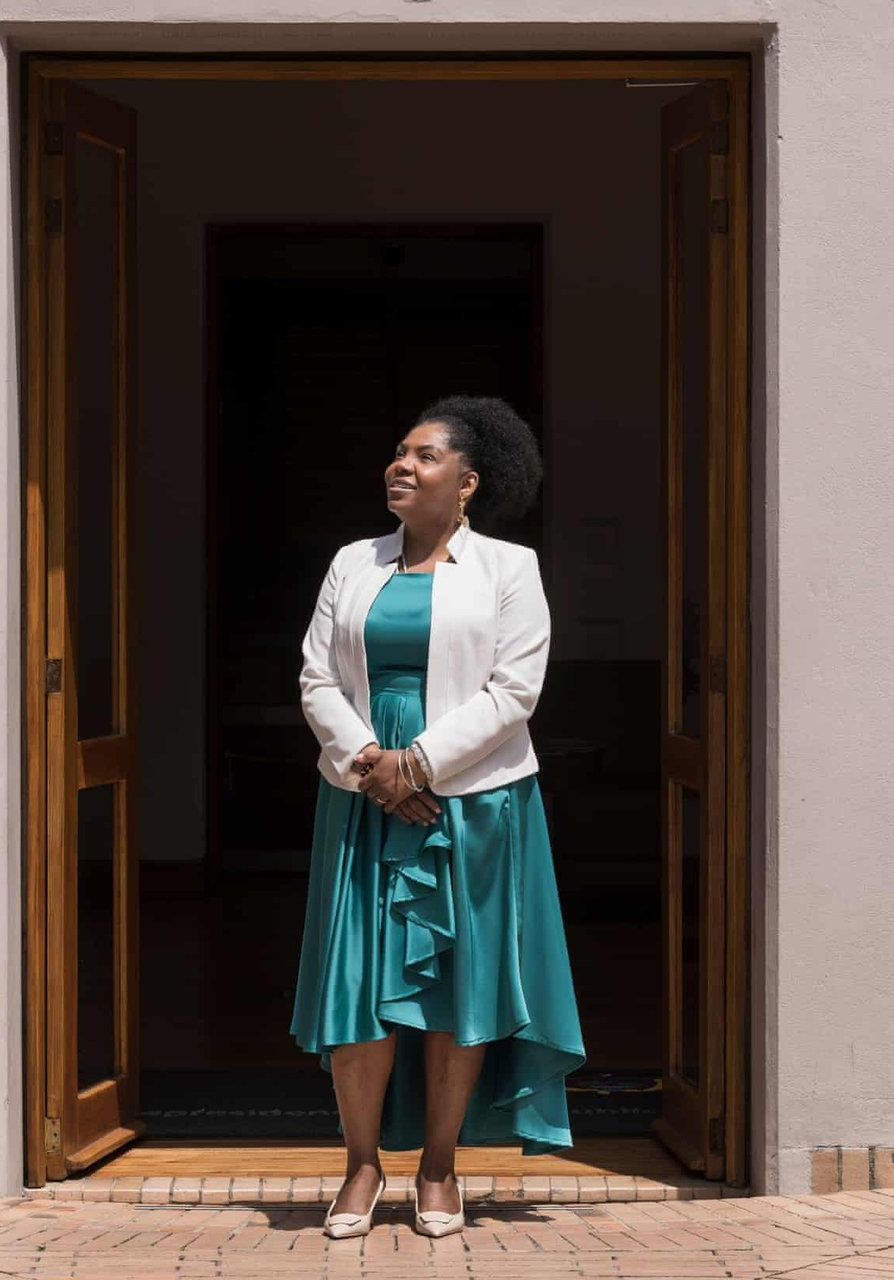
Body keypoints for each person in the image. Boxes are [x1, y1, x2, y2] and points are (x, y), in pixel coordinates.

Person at [288, 394, 587, 1239]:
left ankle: (441, 1166)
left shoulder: (510, 569)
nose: (401, 465)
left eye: (422, 455)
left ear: (467, 482)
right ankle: (358, 1167)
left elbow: (515, 690)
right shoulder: (353, 562)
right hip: (361, 798)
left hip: (476, 803)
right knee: (359, 986)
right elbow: (317, 678)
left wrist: (417, 764)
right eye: (397, 452)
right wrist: (374, 768)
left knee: (458, 986)